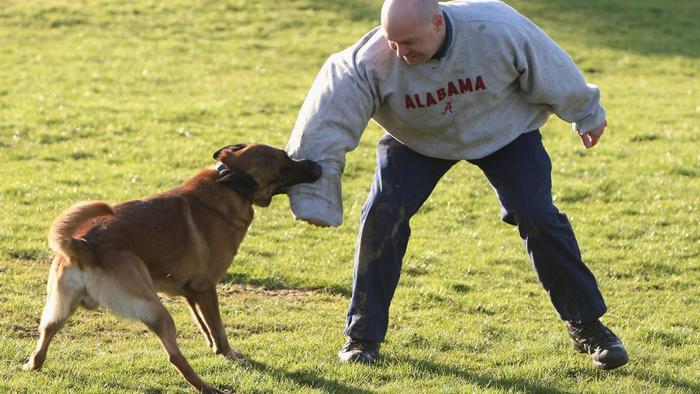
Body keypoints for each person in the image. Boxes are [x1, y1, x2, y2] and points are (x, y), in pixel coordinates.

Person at [285, 0, 628, 370]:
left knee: (537, 215)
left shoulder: (495, 28)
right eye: (394, 42)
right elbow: (325, 123)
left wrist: (586, 112)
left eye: (410, 42)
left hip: (504, 130)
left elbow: (550, 64)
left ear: (437, 22)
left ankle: (588, 327)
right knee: (382, 217)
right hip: (417, 140)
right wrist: (313, 196)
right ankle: (362, 336)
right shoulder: (368, 62)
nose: (401, 53)